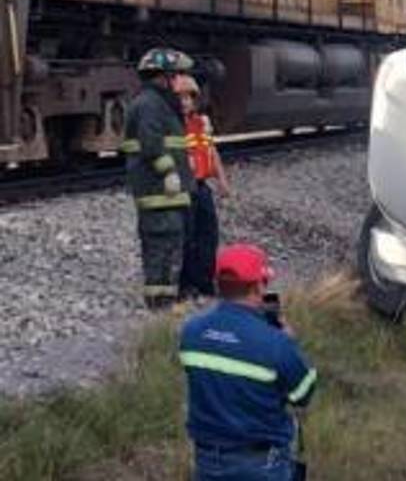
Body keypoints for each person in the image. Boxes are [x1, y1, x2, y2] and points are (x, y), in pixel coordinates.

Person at [180, 244, 318, 480]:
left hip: (206, 460)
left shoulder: (191, 332)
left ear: (219, 285)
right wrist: (289, 341)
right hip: (261, 464)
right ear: (257, 287)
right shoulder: (275, 343)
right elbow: (303, 394)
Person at [122, 48, 196, 309]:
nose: (179, 83)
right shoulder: (150, 104)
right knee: (161, 247)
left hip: (164, 194)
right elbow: (151, 144)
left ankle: (164, 300)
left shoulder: (156, 103)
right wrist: (169, 172)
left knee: (168, 245)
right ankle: (159, 304)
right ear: (163, 77)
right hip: (158, 191)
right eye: (176, 76)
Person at [175, 74, 232, 300]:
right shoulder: (172, 126)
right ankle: (185, 284)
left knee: (208, 234)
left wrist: (222, 180)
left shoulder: (202, 123)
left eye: (188, 97)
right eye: (179, 97)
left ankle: (205, 281)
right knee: (187, 236)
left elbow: (211, 151)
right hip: (184, 187)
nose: (184, 102)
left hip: (202, 186)